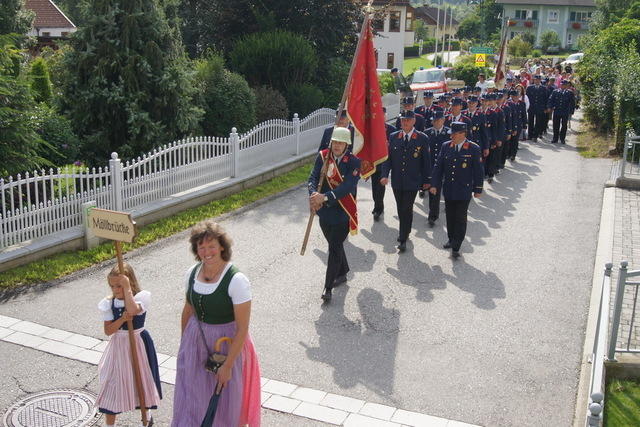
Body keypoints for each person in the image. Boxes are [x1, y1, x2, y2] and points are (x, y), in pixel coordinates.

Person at [173, 221, 261, 426]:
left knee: (223, 402)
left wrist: (228, 365)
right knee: (192, 399)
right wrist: (184, 345)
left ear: (222, 246)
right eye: (201, 247)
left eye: (211, 245)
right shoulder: (192, 273)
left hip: (226, 346)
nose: (206, 251)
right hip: (195, 343)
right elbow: (188, 310)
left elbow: (242, 329)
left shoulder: (237, 280)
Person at [96, 263, 162, 427]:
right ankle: (110, 425)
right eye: (112, 286)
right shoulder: (108, 303)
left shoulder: (142, 296)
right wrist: (122, 319)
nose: (116, 290)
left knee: (140, 379)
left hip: (138, 342)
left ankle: (146, 417)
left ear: (130, 282)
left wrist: (127, 290)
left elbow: (133, 310)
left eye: (119, 285)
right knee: (112, 383)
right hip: (119, 346)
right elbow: (108, 331)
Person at [308, 127, 360, 300]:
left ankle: (328, 288)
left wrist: (325, 197)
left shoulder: (353, 162)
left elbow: (347, 187)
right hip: (324, 212)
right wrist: (313, 195)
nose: (337, 145)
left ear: (347, 144)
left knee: (334, 248)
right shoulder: (323, 156)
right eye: (335, 142)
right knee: (334, 244)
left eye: (340, 142)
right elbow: (313, 178)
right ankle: (343, 270)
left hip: (342, 212)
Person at [430, 122, 484, 258]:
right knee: (450, 216)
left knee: (460, 217)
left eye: (454, 134)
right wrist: (434, 184)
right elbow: (438, 167)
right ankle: (451, 238)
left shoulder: (473, 148)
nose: (452, 136)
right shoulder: (446, 146)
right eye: (451, 134)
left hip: (464, 190)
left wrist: (478, 189)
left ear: (463, 134)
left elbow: (478, 171)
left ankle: (456, 245)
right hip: (449, 188)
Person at [380, 110, 431, 253]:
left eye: (408, 120)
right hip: (397, 181)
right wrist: (384, 175)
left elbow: (426, 162)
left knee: (406, 208)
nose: (405, 122)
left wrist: (427, 180)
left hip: (412, 181)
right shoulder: (394, 136)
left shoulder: (422, 138)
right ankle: (406, 229)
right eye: (403, 120)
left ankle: (402, 238)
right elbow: (387, 159)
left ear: (414, 121)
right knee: (400, 207)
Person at [424, 111, 450, 227]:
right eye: (434, 120)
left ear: (443, 120)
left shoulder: (449, 133)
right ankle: (433, 215)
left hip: (446, 167)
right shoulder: (426, 133)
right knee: (433, 190)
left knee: (447, 191)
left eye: (438, 120)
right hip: (431, 168)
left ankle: (448, 209)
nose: (435, 122)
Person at [371, 108, 396, 221]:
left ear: (385, 116)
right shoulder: (371, 129)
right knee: (374, 188)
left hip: (385, 163)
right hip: (373, 163)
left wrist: (388, 144)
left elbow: (396, 147)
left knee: (380, 188)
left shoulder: (392, 130)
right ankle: (377, 204)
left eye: (383, 115)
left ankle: (378, 209)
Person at [547, 79, 576, 144]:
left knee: (564, 125)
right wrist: (550, 107)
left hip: (565, 111)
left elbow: (572, 103)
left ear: (566, 85)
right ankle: (555, 138)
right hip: (557, 110)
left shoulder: (570, 93)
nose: (563, 86)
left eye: (565, 85)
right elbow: (551, 100)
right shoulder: (555, 91)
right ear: (560, 85)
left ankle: (562, 138)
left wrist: (571, 111)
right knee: (555, 125)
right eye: (562, 84)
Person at [525, 75, 548, 142]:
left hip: (540, 108)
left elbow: (546, 98)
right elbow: (527, 98)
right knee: (530, 121)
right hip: (531, 107)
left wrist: (545, 108)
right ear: (533, 80)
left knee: (538, 122)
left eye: (538, 80)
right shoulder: (529, 87)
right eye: (535, 79)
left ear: (540, 80)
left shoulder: (543, 88)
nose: (537, 81)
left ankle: (535, 136)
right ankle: (530, 135)